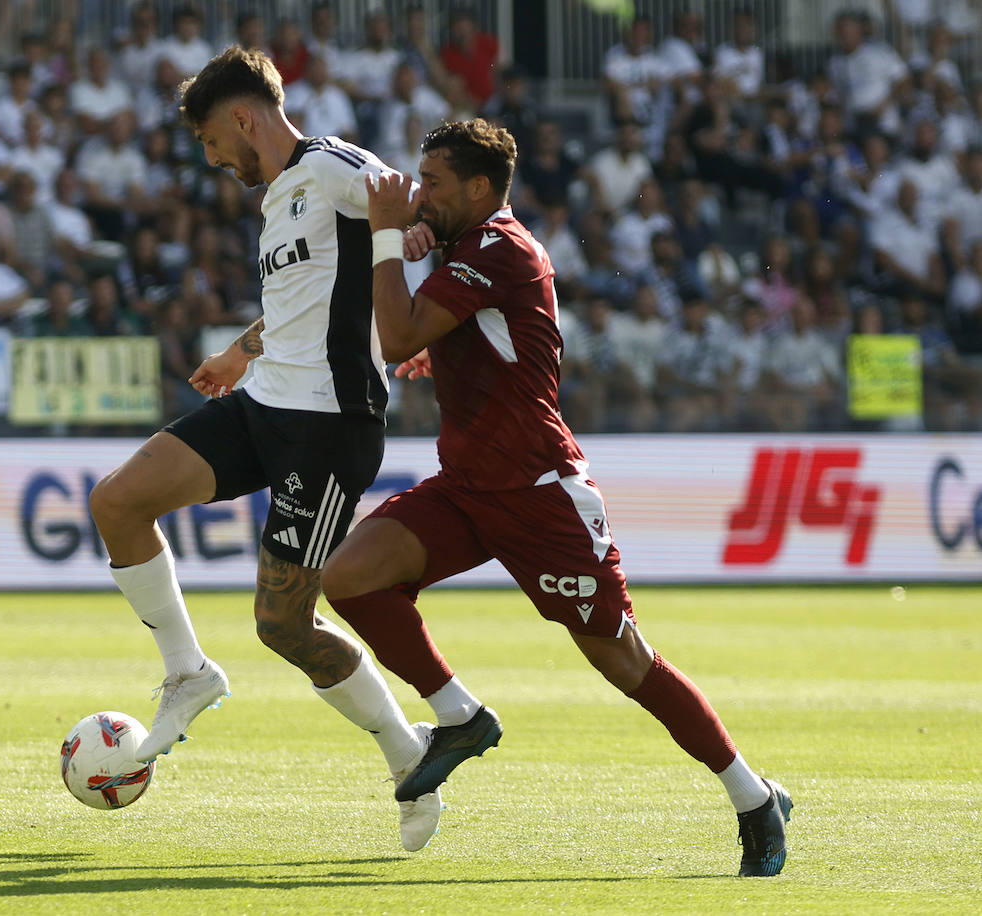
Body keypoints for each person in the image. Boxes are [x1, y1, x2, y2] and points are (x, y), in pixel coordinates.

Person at [317, 118, 793, 877]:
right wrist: (439, 324)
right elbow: (454, 334)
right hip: (470, 487)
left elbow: (400, 334)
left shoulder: (501, 248)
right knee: (346, 577)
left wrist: (387, 241)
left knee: (623, 660)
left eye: (433, 182)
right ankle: (459, 715)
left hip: (540, 493)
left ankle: (753, 797)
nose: (420, 194)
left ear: (478, 188)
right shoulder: (466, 245)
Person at [86, 47, 443, 852]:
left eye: (213, 141)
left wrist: (427, 286)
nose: (212, 158)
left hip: (328, 425)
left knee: (283, 624)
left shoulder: (332, 167)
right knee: (117, 500)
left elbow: (416, 206)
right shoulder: (280, 194)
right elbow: (304, 296)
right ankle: (188, 674)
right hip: (263, 401)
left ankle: (407, 754)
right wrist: (242, 350)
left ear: (244, 118)